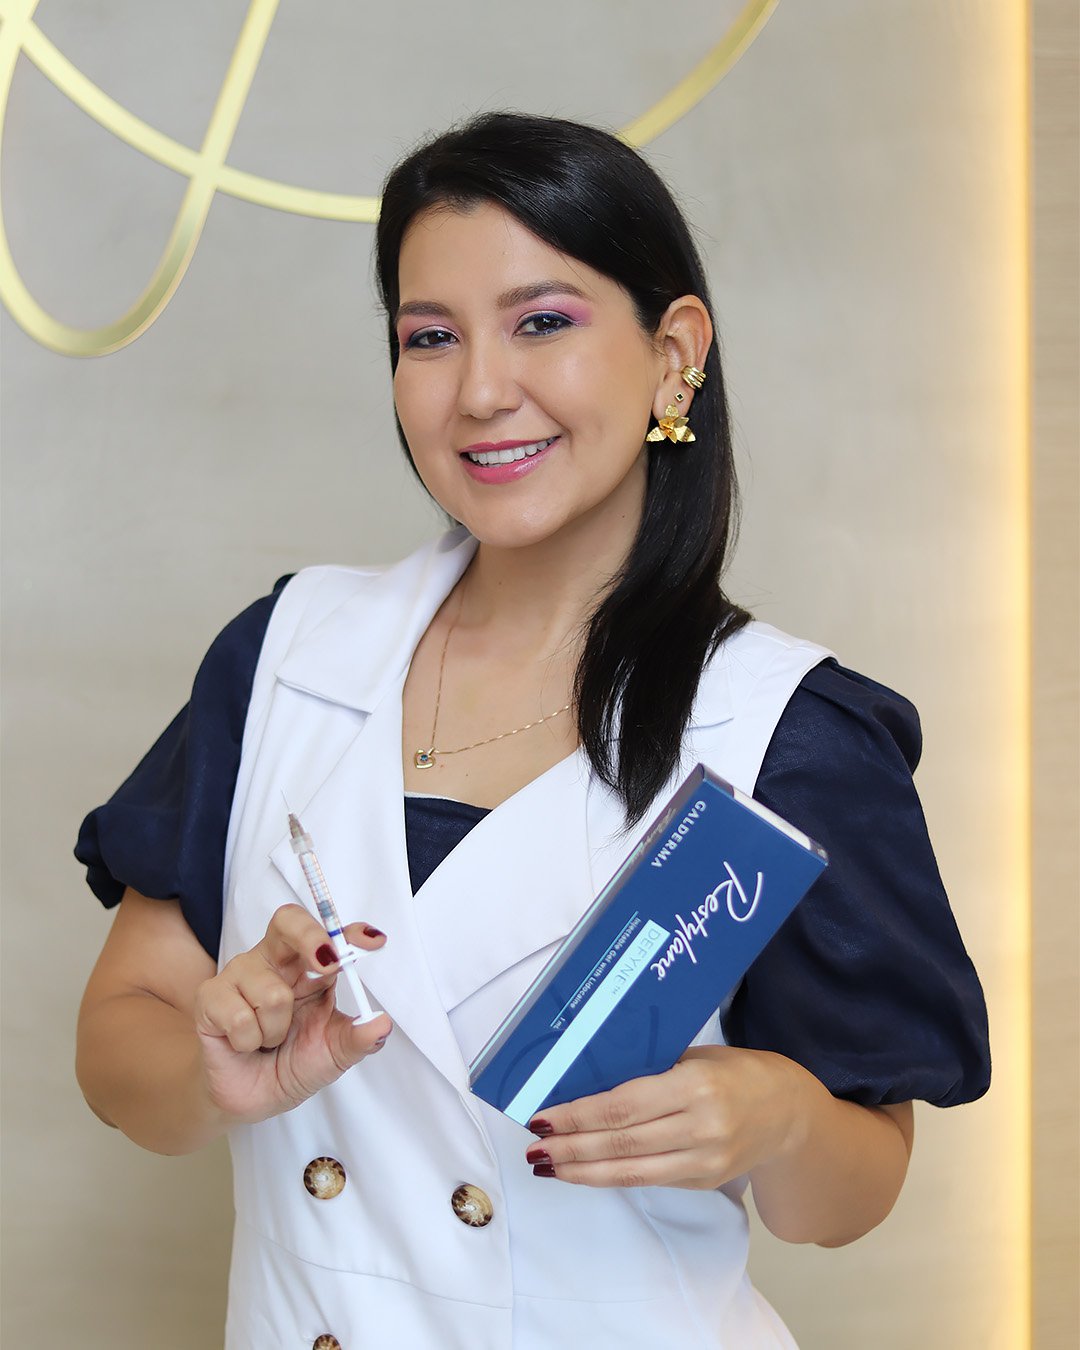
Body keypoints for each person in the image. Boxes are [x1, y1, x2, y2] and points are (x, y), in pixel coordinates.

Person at [74, 112, 990, 1349]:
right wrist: (220, 1070)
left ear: (674, 355)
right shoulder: (287, 654)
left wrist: (774, 1116)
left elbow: (851, 1194)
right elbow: (119, 1048)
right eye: (429, 337)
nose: (480, 392)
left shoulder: (788, 730)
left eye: (543, 322)